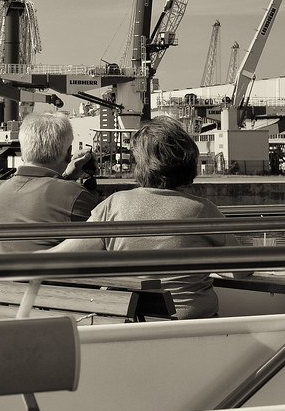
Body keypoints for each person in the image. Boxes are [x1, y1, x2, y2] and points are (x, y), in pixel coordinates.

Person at [48, 116, 246, 319]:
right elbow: (242, 269)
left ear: (141, 164)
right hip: (192, 323)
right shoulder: (202, 210)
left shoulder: (114, 205)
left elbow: (61, 257)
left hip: (130, 321)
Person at [0, 112, 100, 253]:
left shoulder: (1, 192)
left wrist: (66, 177)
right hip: (58, 268)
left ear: (23, 152)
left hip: (7, 267)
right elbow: (103, 242)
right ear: (69, 153)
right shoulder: (75, 195)